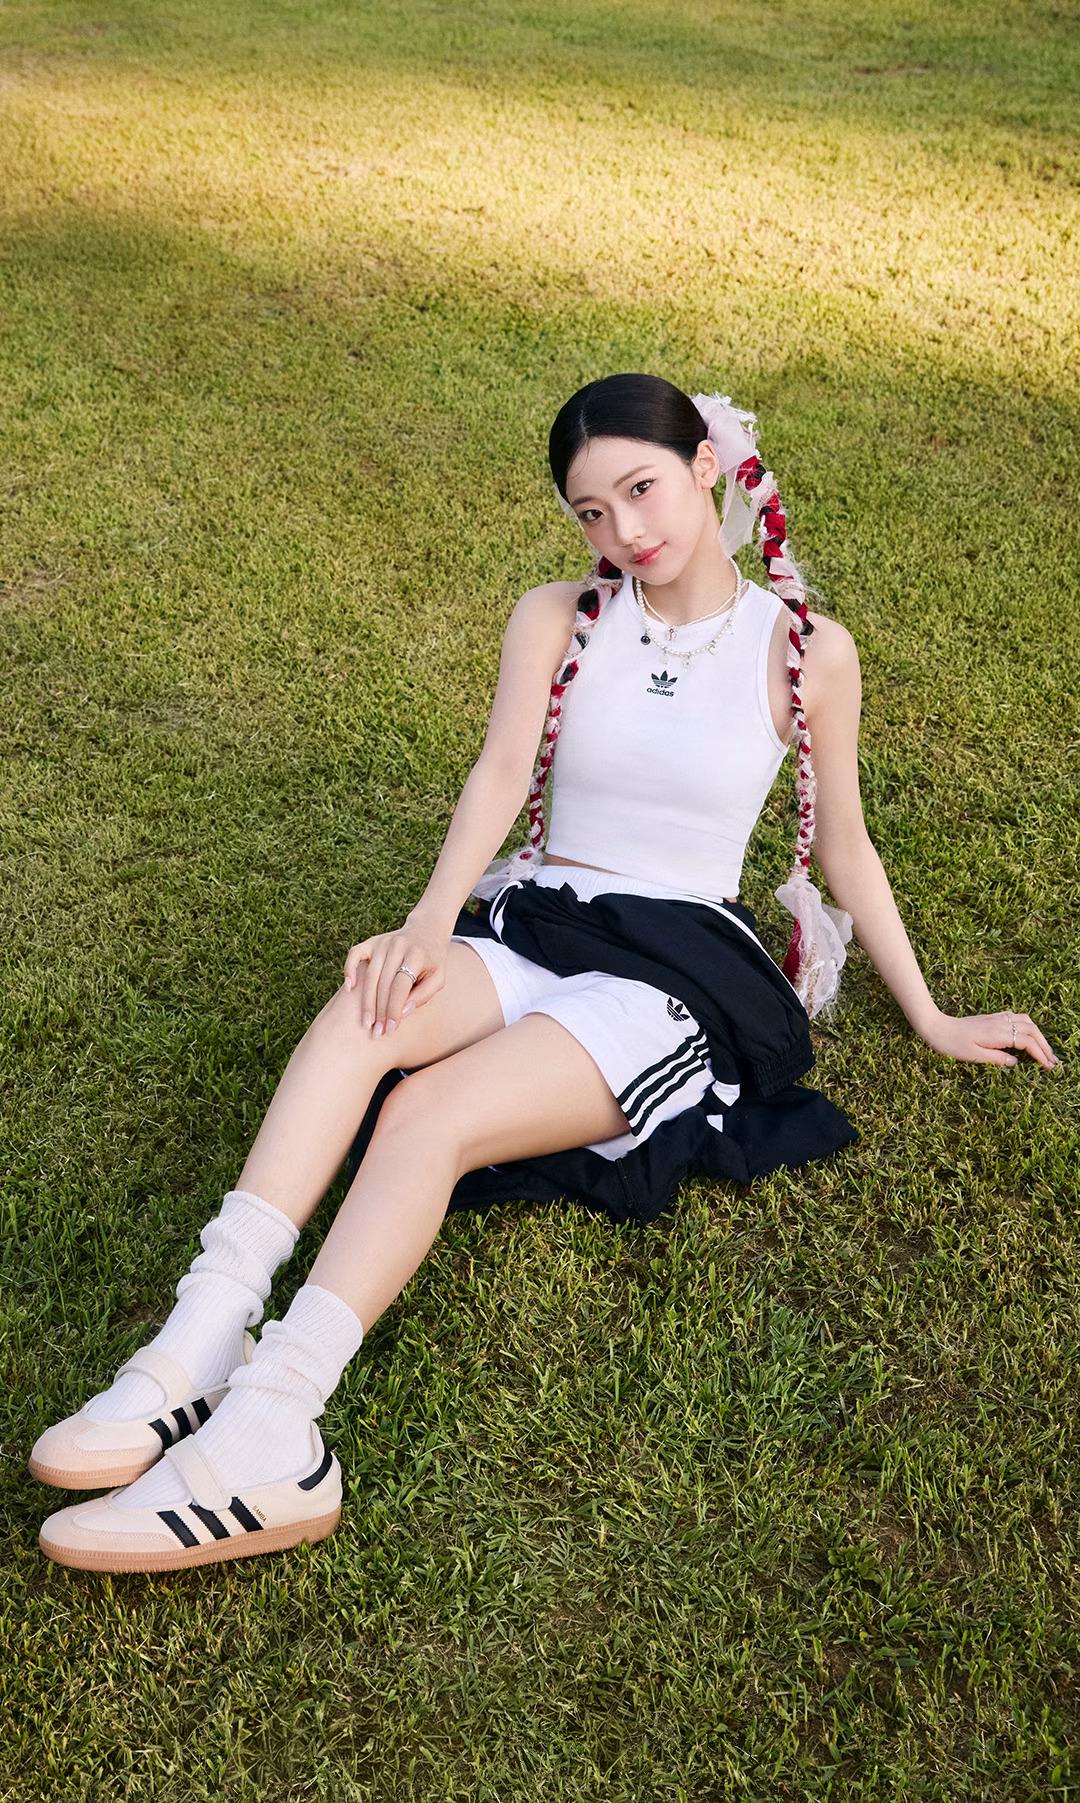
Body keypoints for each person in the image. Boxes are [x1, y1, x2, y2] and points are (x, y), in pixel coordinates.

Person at [32, 375, 1058, 1575]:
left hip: (672, 965)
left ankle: (276, 1432)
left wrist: (931, 1014)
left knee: (427, 1115)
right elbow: (498, 773)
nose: (626, 530)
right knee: (365, 1016)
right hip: (540, 915)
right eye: (592, 511)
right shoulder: (558, 617)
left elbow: (845, 846)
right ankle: (196, 1341)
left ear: (707, 467)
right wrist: (425, 924)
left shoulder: (804, 653)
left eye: (643, 489)